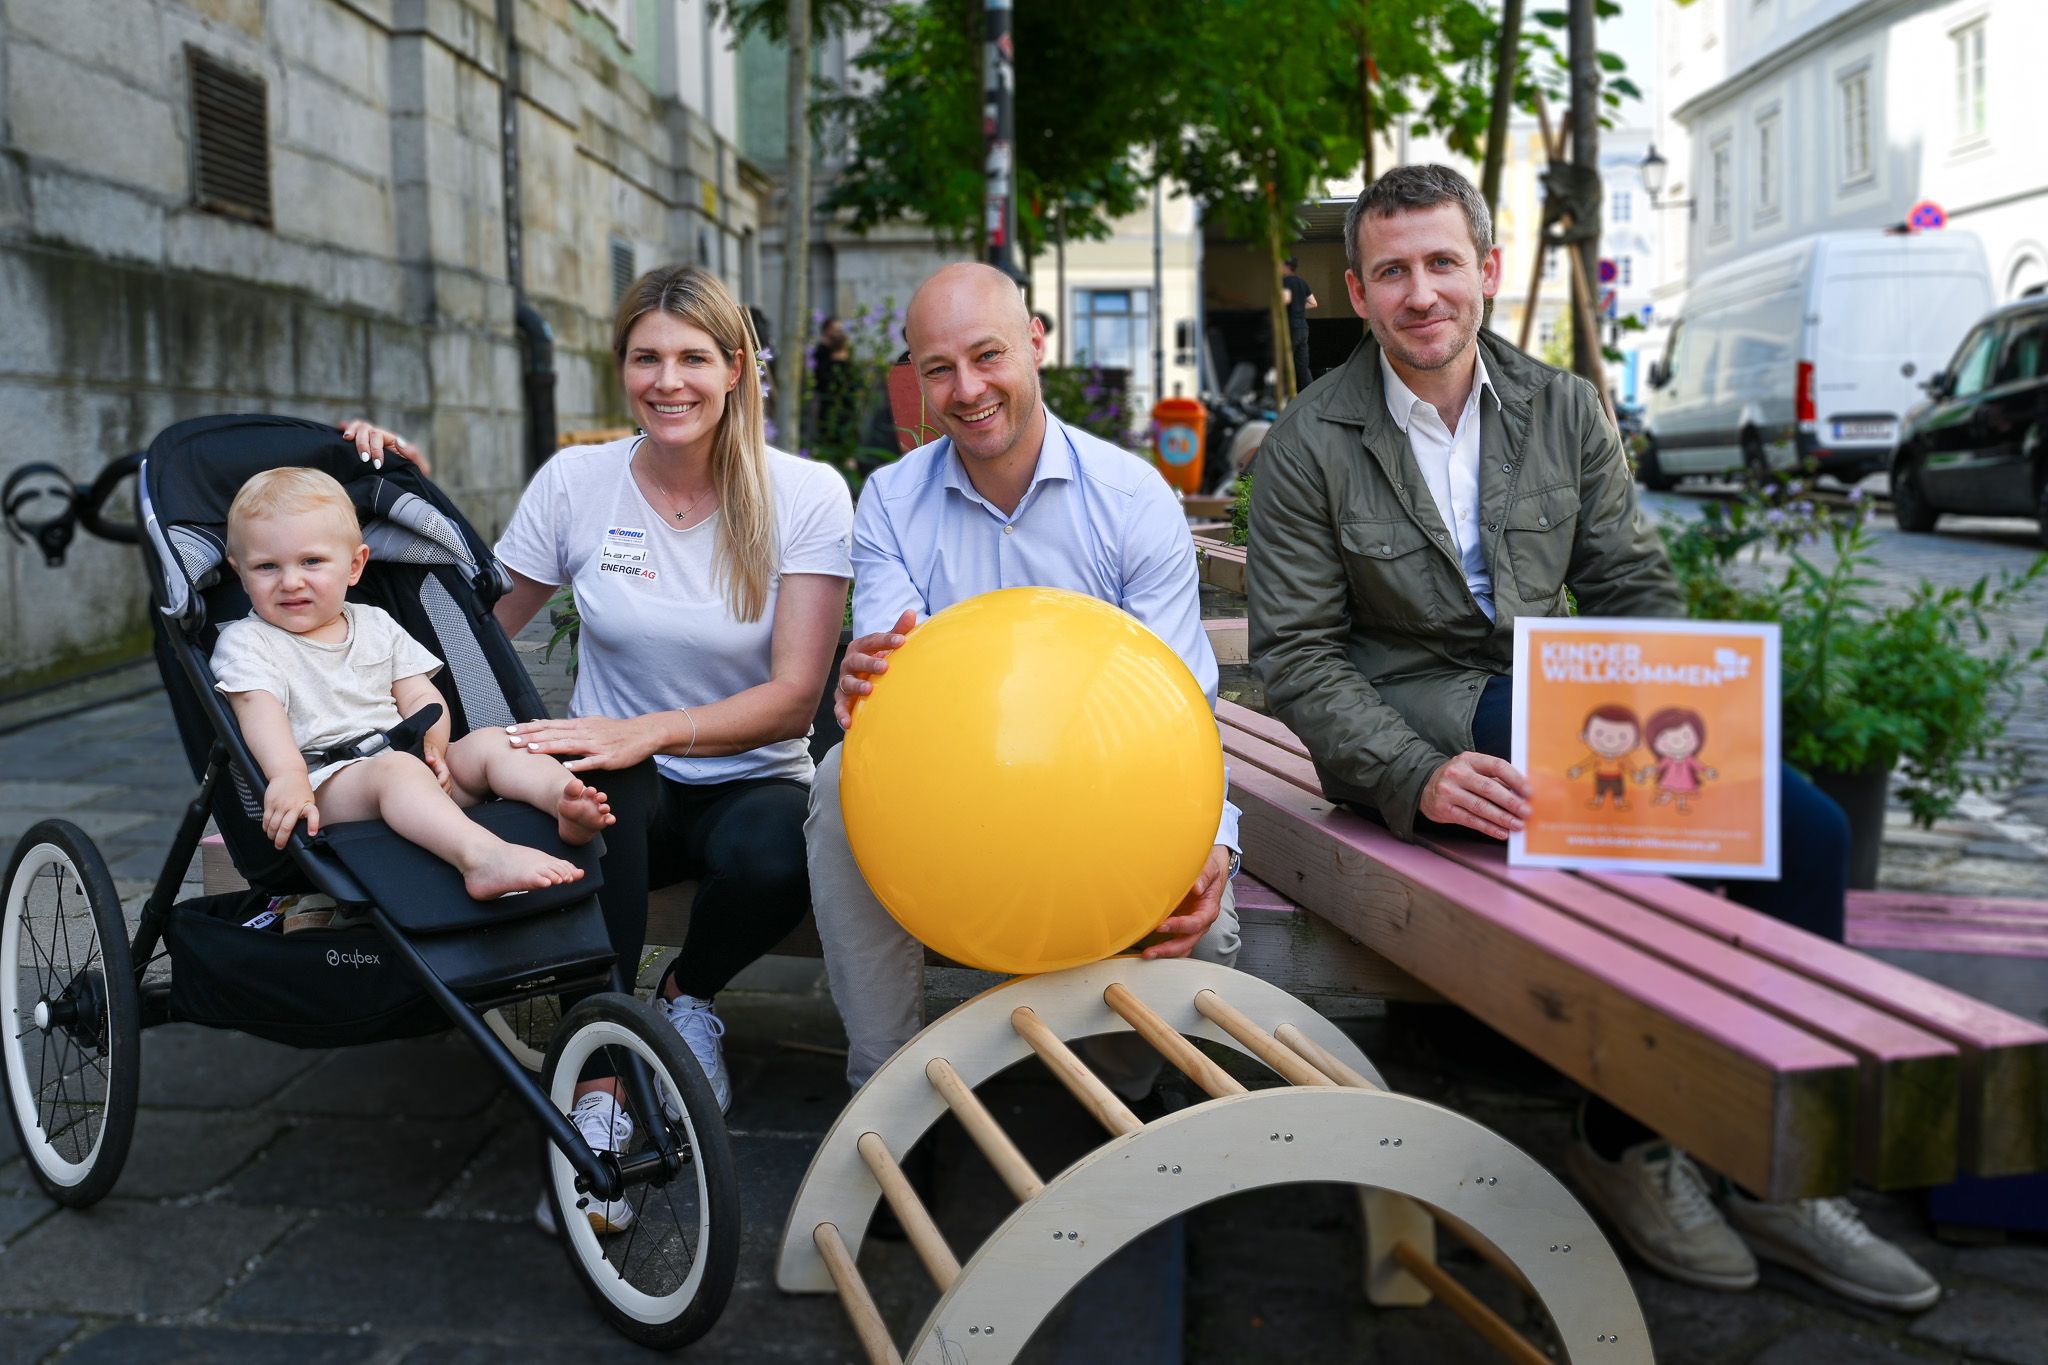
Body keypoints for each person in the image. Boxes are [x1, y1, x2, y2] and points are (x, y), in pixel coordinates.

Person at [1245, 164, 1938, 1311]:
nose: (1420, 293)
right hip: (1424, 716)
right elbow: (1301, 659)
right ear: (1358, 296)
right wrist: (1410, 775)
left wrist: (1682, 708)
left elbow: (1628, 584)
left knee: (1804, 832)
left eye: (1440, 263)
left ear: (1486, 271)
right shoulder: (1310, 440)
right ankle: (1628, 1147)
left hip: (1557, 702)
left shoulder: (1562, 407)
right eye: (1391, 272)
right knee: (1645, 825)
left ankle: (1784, 1173)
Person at [353, 265, 852, 1233]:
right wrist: (391, 494)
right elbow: (468, 621)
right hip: (622, 793)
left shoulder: (804, 493)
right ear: (620, 367)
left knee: (783, 845)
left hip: (748, 783)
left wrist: (651, 726)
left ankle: (683, 1002)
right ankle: (609, 1071)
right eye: (646, 358)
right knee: (604, 779)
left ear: (737, 368)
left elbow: (796, 699)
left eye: (693, 358)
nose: (669, 381)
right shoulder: (578, 483)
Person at [806, 261, 1242, 1101]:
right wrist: (863, 681)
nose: (966, 389)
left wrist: (1214, 837)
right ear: (918, 380)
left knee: (1210, 930)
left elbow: (1187, 697)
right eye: (939, 369)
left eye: (987, 355)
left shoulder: (1131, 498)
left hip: (1112, 786)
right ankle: (886, 1088)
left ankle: (1106, 1097)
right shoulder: (893, 501)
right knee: (835, 784)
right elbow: (889, 701)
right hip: (954, 793)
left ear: (1037, 343)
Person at [212, 468, 614, 900]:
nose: (291, 581)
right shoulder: (247, 641)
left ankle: (562, 800)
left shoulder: (376, 624)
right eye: (267, 567)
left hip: (410, 766)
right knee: (396, 771)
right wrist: (287, 776)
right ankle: (481, 858)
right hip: (324, 785)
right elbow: (259, 711)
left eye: (311, 562)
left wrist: (435, 750)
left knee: (494, 741)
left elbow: (422, 697)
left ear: (354, 565)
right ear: (240, 571)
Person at [1282, 255, 1318, 389]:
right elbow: (1313, 303)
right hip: (1303, 327)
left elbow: (1285, 300)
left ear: (1286, 266)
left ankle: (1286, 396)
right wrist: (1298, 305)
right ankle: (1311, 394)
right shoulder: (1302, 282)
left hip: (1290, 327)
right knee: (1303, 366)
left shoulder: (1285, 282)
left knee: (1284, 363)